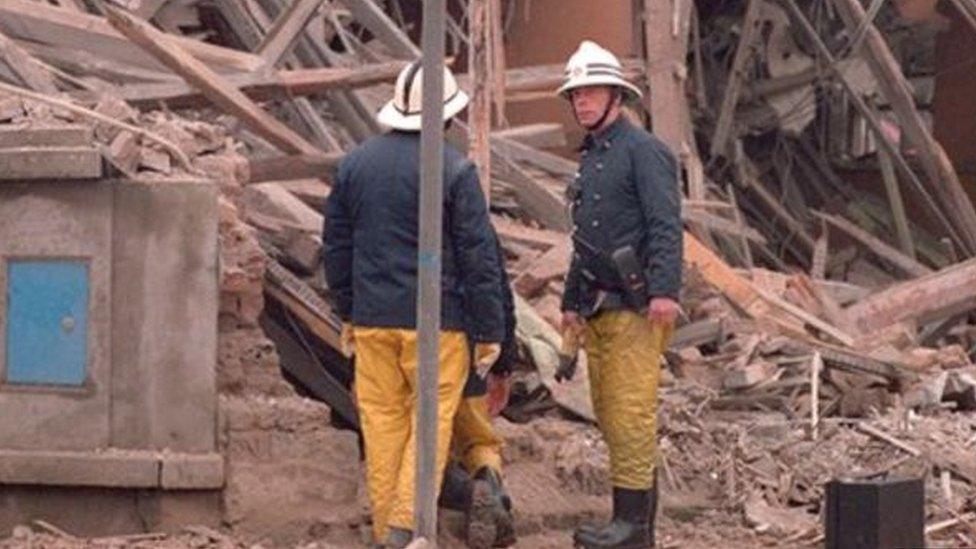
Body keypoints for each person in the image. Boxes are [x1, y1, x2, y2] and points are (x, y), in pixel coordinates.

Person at [323, 61, 505, 548]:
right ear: (446, 117)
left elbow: (336, 248)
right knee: (430, 424)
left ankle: (388, 532)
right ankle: (405, 530)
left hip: (371, 320)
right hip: (436, 323)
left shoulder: (354, 165)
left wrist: (347, 310)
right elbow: (478, 256)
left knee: (382, 428)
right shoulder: (454, 170)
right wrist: (490, 331)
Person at [553, 40, 683, 549]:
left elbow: (665, 225)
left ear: (616, 95)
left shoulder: (644, 151)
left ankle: (632, 527)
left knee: (630, 415)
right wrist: (569, 300)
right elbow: (585, 237)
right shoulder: (593, 157)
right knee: (609, 412)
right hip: (598, 303)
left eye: (591, 92)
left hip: (637, 303)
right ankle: (631, 526)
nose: (582, 102)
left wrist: (665, 290)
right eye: (576, 94)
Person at [439, 233, 517, 549]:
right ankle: (490, 489)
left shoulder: (400, 216)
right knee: (479, 439)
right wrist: (502, 364)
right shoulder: (476, 224)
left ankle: (464, 493)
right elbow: (499, 293)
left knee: (432, 443)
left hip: (428, 345)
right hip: (473, 349)